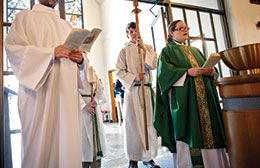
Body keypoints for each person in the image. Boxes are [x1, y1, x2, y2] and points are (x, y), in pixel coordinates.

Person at [5, 0, 84, 168]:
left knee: (66, 143)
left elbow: (79, 60)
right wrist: (50, 53)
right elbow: (15, 50)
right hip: (38, 95)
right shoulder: (24, 18)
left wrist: (81, 59)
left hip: (66, 94)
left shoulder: (66, 25)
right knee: (39, 146)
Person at [154, 20, 230, 167]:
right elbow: (164, 76)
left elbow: (205, 67)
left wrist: (211, 72)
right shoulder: (167, 51)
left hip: (205, 100)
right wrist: (187, 72)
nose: (185, 30)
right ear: (171, 33)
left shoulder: (195, 50)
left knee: (210, 131)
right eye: (180, 28)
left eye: (186, 28)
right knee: (189, 132)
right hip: (186, 102)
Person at [116, 22, 160, 168]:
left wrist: (143, 49)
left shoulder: (148, 48)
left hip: (146, 92)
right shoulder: (124, 51)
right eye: (131, 31)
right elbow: (119, 71)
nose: (135, 34)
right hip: (133, 91)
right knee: (133, 126)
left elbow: (154, 65)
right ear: (127, 34)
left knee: (148, 124)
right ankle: (133, 159)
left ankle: (149, 157)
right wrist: (134, 77)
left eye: (137, 31)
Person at [79, 53, 106, 168]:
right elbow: (71, 91)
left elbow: (100, 89)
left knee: (95, 140)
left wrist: (95, 100)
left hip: (93, 109)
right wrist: (83, 105)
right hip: (81, 111)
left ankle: (96, 163)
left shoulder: (93, 73)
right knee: (83, 141)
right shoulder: (73, 73)